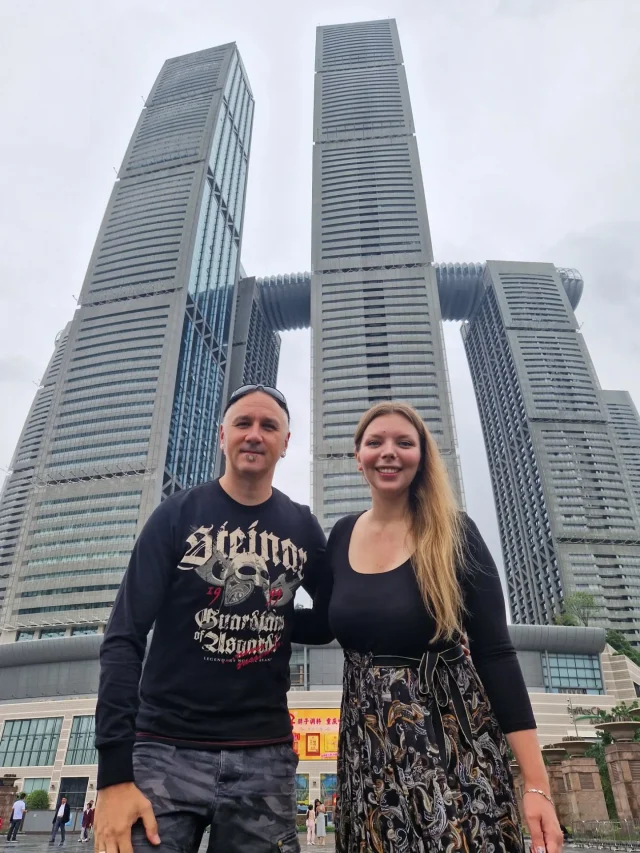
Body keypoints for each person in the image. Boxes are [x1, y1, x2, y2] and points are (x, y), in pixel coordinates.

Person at [296, 401, 564, 853]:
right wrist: (252, 614)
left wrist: (536, 785)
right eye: (375, 442)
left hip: (450, 741)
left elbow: (496, 654)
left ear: (422, 457)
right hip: (367, 747)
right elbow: (322, 625)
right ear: (358, 456)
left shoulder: (455, 533)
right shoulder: (341, 534)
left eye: (404, 442)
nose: (389, 452)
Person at [94, 385, 326, 853]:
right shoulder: (175, 516)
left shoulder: (302, 526)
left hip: (264, 757)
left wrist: (273, 614)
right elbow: (123, 637)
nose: (254, 434)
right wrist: (113, 775)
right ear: (222, 436)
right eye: (243, 423)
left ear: (285, 442)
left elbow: (331, 619)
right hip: (164, 750)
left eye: (268, 426)